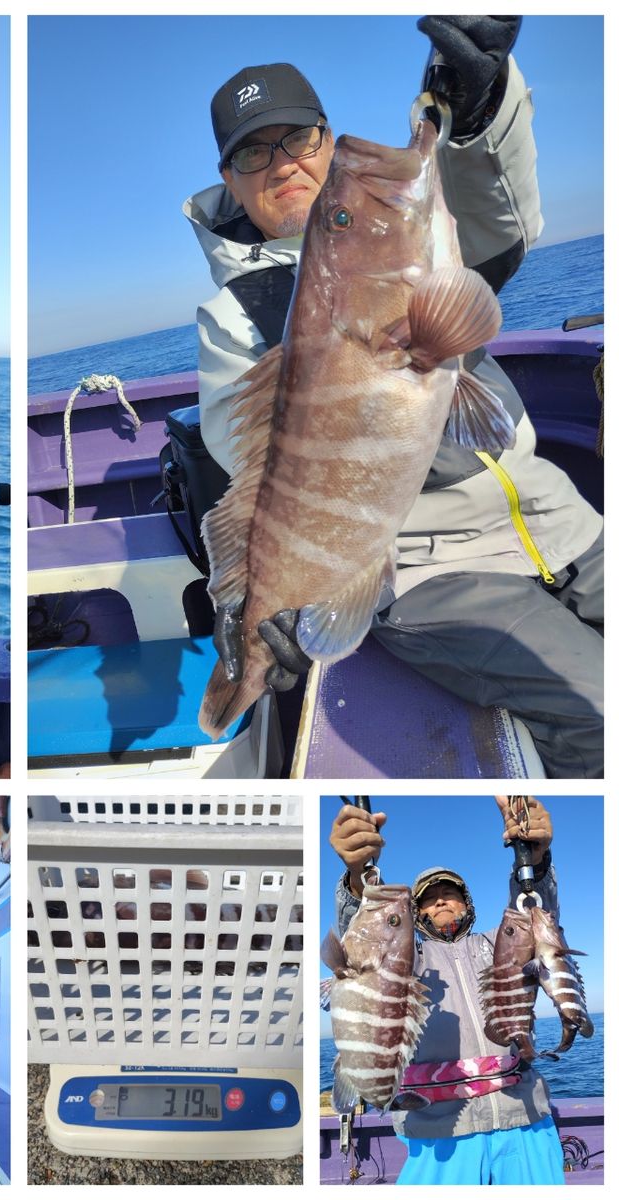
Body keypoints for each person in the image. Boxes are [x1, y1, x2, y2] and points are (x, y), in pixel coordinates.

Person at [183, 17, 603, 777]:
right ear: (231, 179)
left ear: (326, 137)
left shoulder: (413, 235)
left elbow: (499, 217)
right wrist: (254, 603)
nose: (281, 164)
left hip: (561, 517)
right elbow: (242, 452)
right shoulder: (228, 317)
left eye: (301, 140)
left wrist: (478, 112)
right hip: (419, 569)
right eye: (252, 150)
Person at [328, 796, 565, 1185]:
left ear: (466, 904)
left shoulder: (498, 945)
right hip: (439, 1133)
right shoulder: (408, 959)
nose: (440, 899)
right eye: (428, 898)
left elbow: (536, 917)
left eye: (449, 893)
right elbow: (366, 949)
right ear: (416, 915)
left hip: (525, 1117)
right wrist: (357, 877)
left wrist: (535, 863)